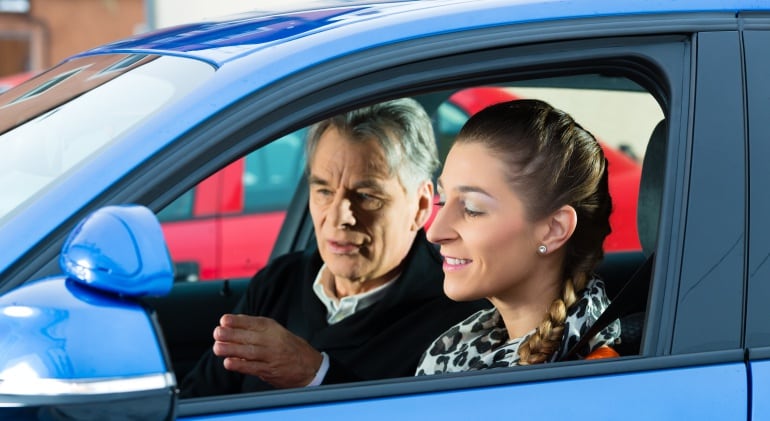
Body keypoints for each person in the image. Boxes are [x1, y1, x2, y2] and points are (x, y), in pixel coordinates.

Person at [181, 98, 489, 396]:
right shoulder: (280, 282)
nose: (340, 217)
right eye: (324, 191)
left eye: (367, 196)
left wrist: (316, 375)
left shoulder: (459, 313)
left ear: (420, 205)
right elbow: (197, 399)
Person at [416, 99, 620, 375]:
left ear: (554, 229)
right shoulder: (457, 349)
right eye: (443, 201)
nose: (435, 232)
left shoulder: (593, 376)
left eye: (472, 209)